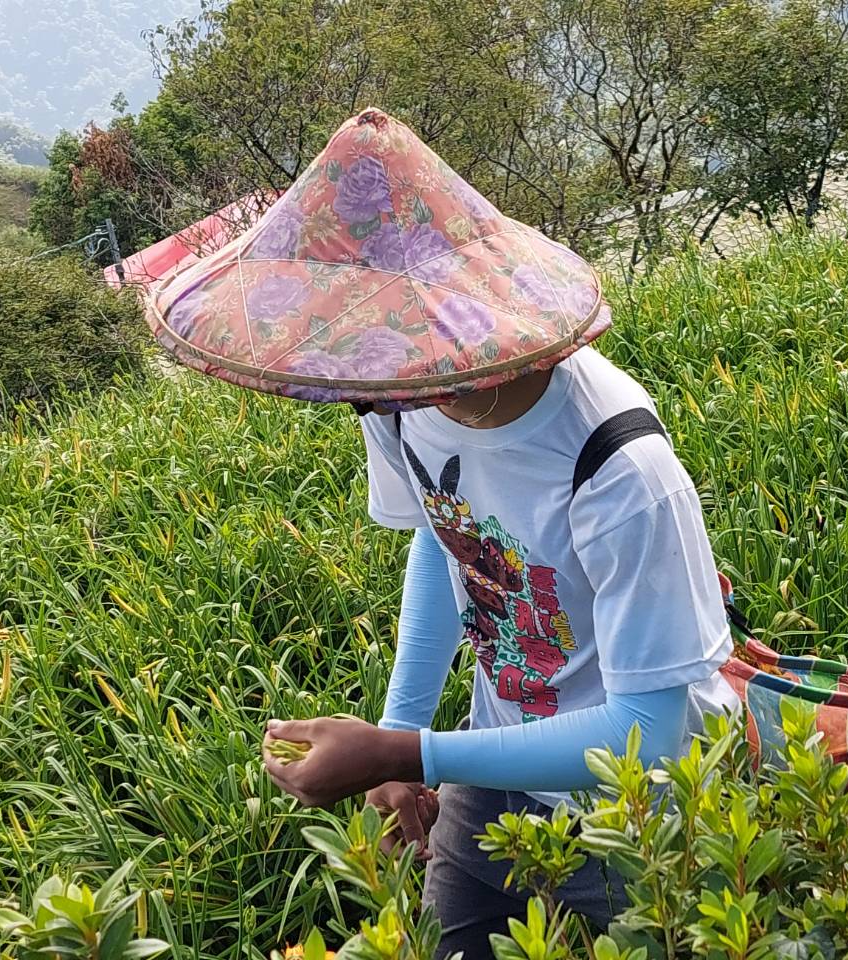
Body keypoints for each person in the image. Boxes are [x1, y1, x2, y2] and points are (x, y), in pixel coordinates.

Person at [144, 109, 737, 958]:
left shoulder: (620, 468)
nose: (359, 381)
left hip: (642, 808)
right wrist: (399, 743)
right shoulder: (393, 395)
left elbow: (650, 729)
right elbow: (444, 540)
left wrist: (407, 750)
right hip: (493, 758)